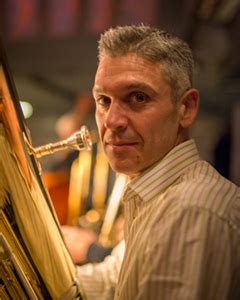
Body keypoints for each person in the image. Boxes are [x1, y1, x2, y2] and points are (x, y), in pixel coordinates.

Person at [75, 25, 240, 300]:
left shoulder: (188, 210)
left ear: (186, 108)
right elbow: (109, 282)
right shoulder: (156, 195)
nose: (112, 121)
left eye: (138, 98)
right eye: (104, 100)